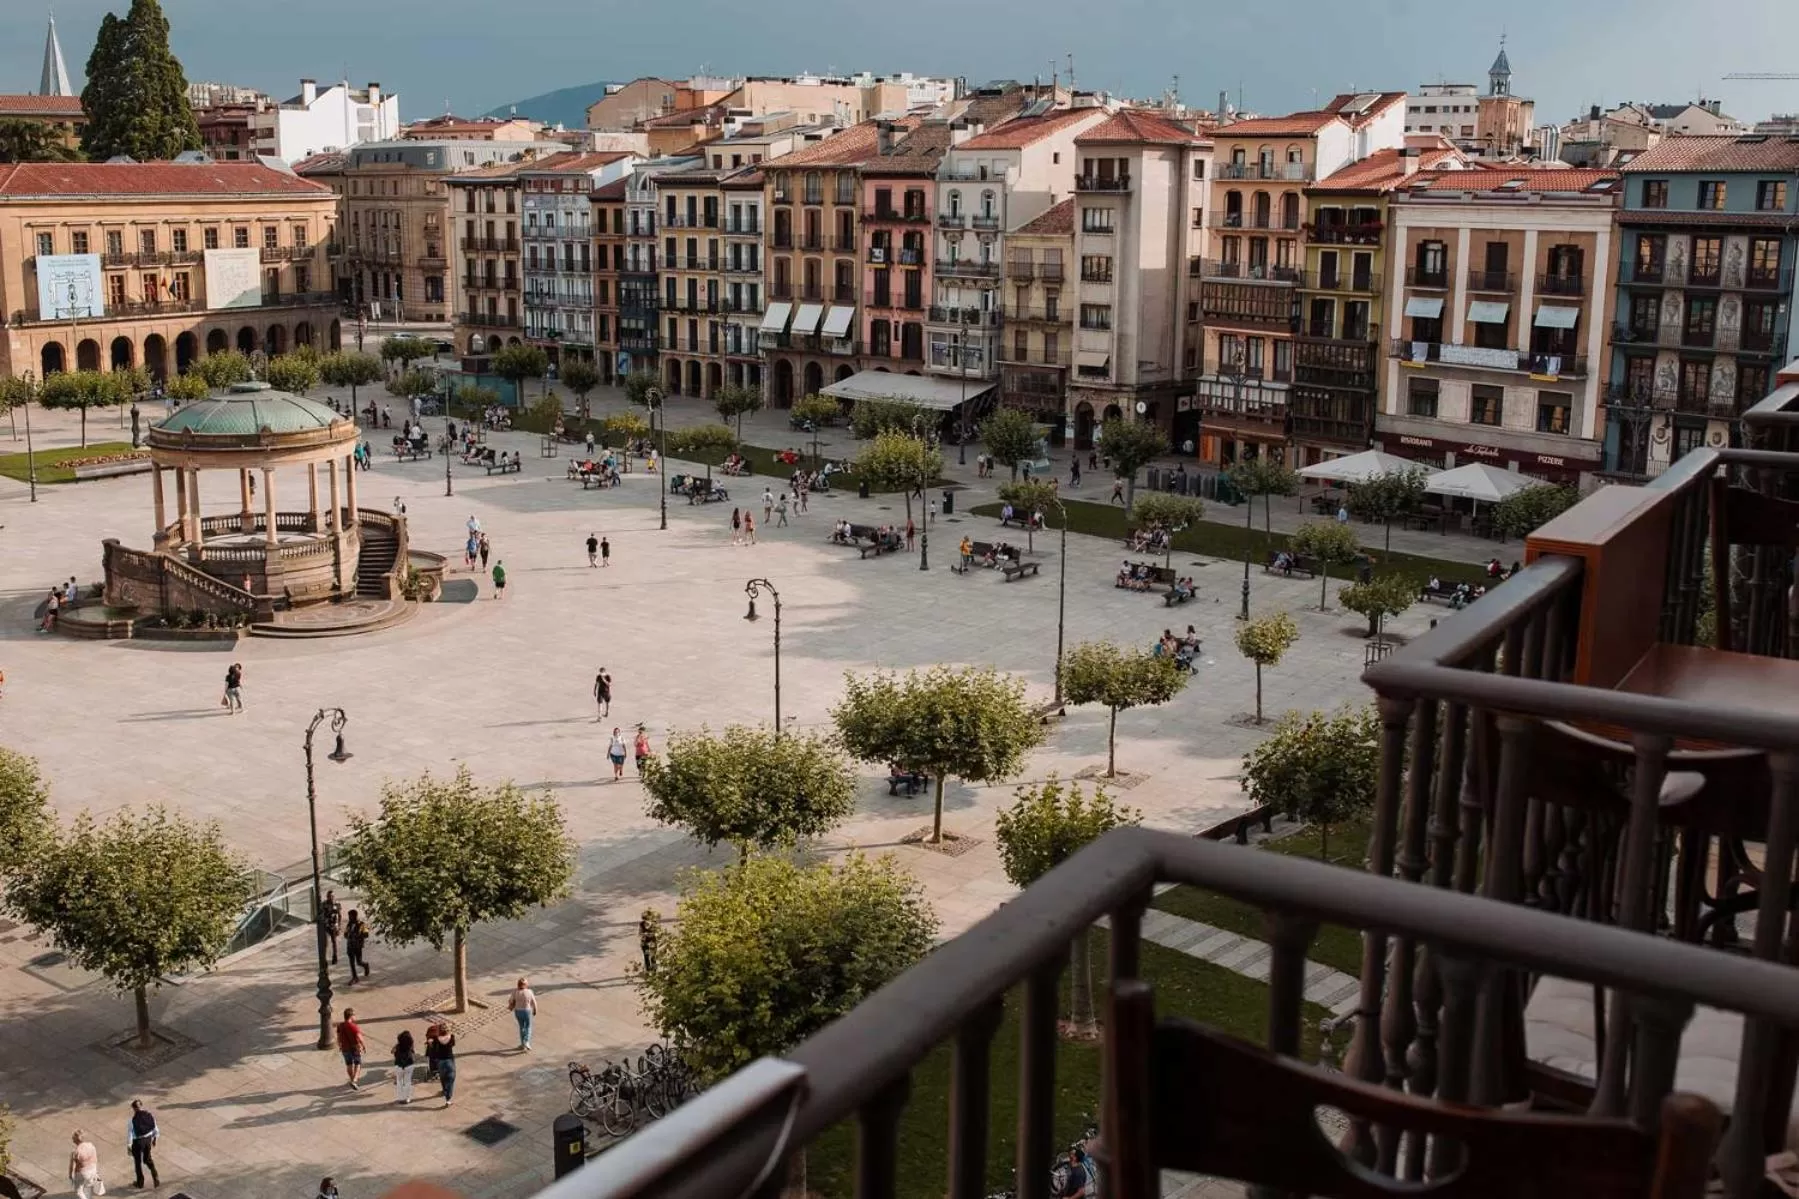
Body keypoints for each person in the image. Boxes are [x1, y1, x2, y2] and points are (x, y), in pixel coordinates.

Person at [127, 1100, 160, 1189]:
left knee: (137, 1163)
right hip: (148, 1140)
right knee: (147, 1159)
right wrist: (154, 1139)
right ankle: (155, 1174)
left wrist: (129, 1145)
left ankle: (140, 1182)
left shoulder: (132, 1120)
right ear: (141, 1105)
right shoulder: (149, 1115)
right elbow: (155, 1128)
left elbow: (130, 1134)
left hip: (138, 1142)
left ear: (134, 1109)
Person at [337, 1008, 367, 1089]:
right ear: (351, 1016)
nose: (355, 1017)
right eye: (354, 1015)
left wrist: (340, 1045)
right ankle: (354, 1080)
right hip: (354, 1048)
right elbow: (359, 1037)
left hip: (344, 1048)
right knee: (358, 1063)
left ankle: (352, 1080)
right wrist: (363, 1046)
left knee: (349, 1064)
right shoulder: (354, 1026)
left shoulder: (340, 1025)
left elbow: (338, 1037)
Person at [69, 1130, 102, 1199]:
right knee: (88, 1186)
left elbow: (72, 1167)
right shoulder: (91, 1145)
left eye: (73, 1138)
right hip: (92, 1169)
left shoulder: (75, 1152)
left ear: (75, 1140)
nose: (72, 1139)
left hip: (82, 1173)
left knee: (79, 1191)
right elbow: (95, 1158)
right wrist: (96, 1171)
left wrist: (70, 1175)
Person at [509, 977, 538, 1050]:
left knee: (521, 1027)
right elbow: (534, 1002)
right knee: (528, 1026)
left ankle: (522, 1044)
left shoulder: (515, 992)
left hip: (518, 1011)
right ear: (525, 985)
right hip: (527, 1011)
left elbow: (510, 1001)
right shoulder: (529, 991)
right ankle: (527, 1042)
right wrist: (535, 1010)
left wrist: (511, 1005)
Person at [392, 1029, 418, 1103]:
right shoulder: (410, 1046)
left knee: (399, 1081)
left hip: (399, 1064)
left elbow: (392, 1051)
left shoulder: (398, 1046)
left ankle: (400, 1097)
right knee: (407, 1081)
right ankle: (407, 1098)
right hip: (409, 1064)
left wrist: (397, 1045)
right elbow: (413, 1052)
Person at [344, 909, 370, 982]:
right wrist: (347, 935)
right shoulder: (349, 924)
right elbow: (345, 933)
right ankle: (355, 977)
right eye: (349, 916)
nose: (349, 918)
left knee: (359, 962)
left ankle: (365, 965)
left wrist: (358, 935)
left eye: (350, 916)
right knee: (351, 962)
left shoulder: (361, 924)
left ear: (355, 916)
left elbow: (366, 934)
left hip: (357, 946)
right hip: (350, 945)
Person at [321, 889, 343, 964]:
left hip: (334, 925)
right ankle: (324, 958)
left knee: (334, 942)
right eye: (329, 896)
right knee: (325, 943)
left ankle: (335, 956)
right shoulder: (324, 904)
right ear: (327, 896)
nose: (331, 897)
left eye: (332, 896)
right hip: (326, 925)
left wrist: (339, 926)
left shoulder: (337, 904)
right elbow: (322, 914)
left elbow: (339, 915)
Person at [639, 909, 661, 974]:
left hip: (652, 942)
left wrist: (651, 934)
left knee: (653, 956)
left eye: (647, 919)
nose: (645, 921)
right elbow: (639, 933)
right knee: (646, 956)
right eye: (644, 919)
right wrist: (644, 934)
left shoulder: (654, 924)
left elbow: (658, 933)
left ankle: (654, 971)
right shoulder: (641, 924)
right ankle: (648, 970)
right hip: (644, 942)